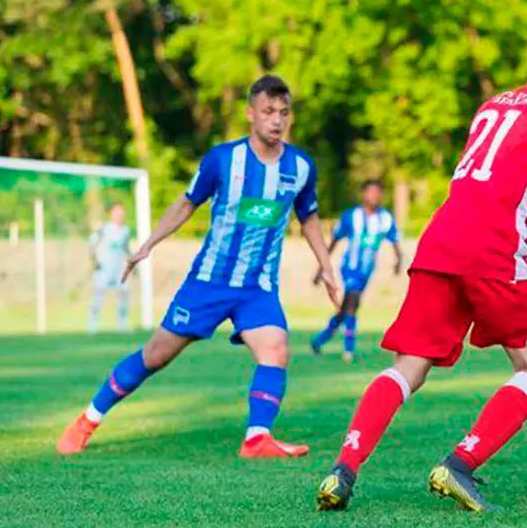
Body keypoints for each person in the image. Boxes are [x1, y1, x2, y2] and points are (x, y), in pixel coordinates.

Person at [314, 32, 527, 513]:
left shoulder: (493, 105)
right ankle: (460, 463)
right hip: (491, 253)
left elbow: (490, 185)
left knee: (408, 367)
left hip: (441, 242)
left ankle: (343, 470)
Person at [56, 75, 339, 458]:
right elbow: (187, 203)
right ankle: (88, 418)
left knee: (275, 347)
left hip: (257, 288)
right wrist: (148, 245)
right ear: (250, 113)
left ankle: (257, 438)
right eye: (268, 111)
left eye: (284, 113)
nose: (277, 120)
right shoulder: (223, 160)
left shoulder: (300, 167)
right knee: (155, 355)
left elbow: (308, 218)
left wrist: (327, 267)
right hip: (208, 283)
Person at [311, 179, 403, 363]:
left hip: (367, 271)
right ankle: (348, 349)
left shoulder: (385, 218)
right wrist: (321, 267)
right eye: (371, 192)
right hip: (349, 268)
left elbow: (394, 241)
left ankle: (320, 339)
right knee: (352, 303)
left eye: (378, 193)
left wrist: (399, 261)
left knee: (346, 309)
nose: (374, 197)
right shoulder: (351, 216)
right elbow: (335, 240)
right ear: (363, 194)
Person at [88, 203, 133, 334]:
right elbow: (91, 244)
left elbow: (126, 248)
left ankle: (122, 326)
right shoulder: (103, 229)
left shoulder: (125, 230)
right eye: (117, 212)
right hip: (104, 268)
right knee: (98, 295)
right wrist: (94, 261)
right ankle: (92, 326)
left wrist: (133, 265)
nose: (119, 215)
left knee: (123, 294)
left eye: (121, 213)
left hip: (119, 269)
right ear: (111, 214)